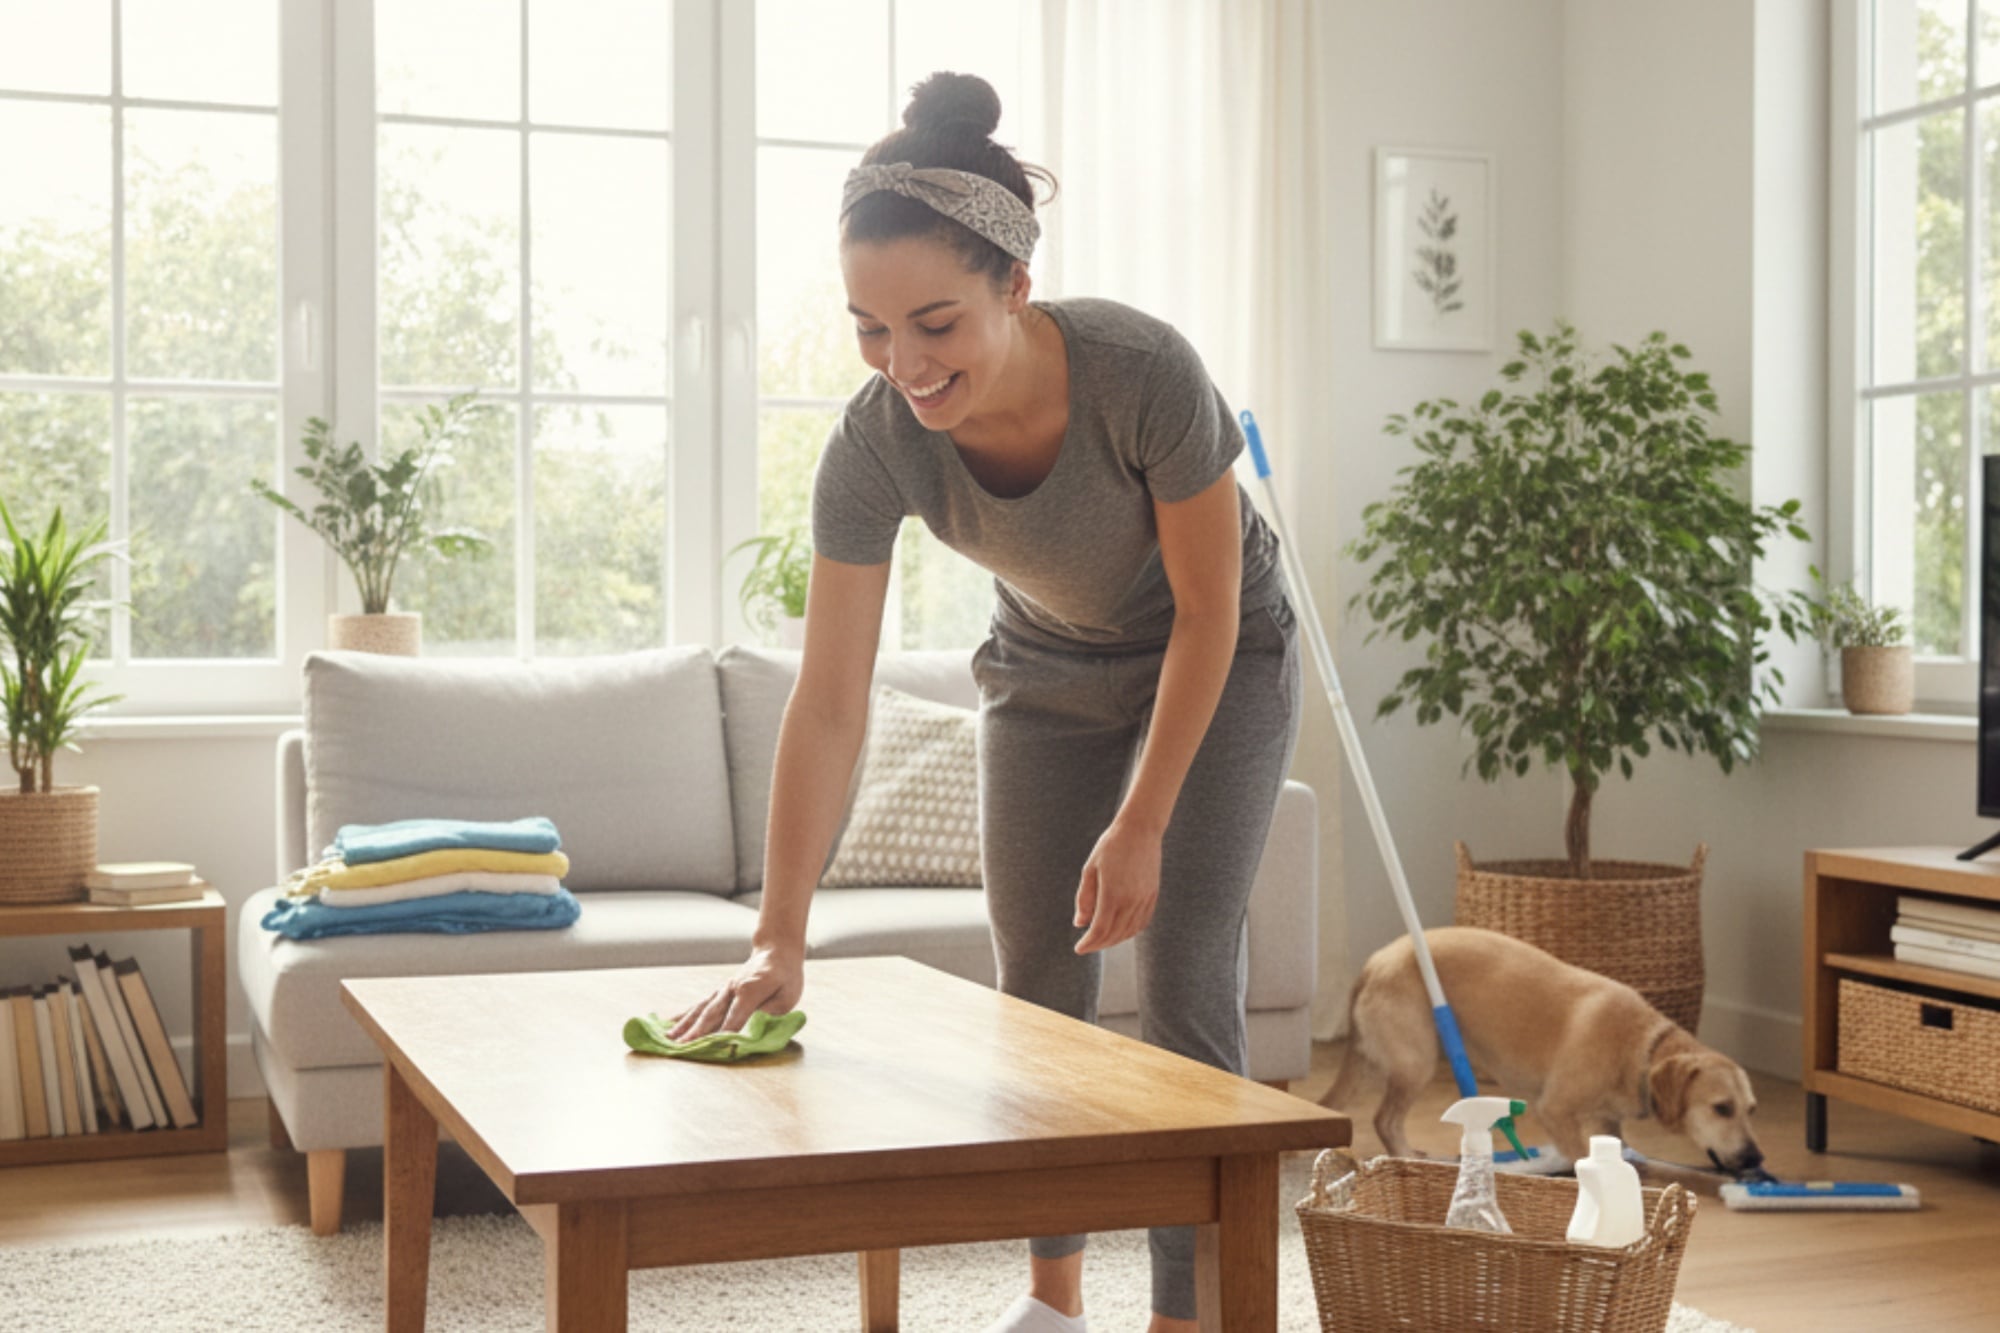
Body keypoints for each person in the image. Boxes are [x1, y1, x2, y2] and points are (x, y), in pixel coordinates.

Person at [669, 71, 1301, 1333]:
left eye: (934, 323)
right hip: (1046, 669)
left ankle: (1189, 1316)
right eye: (868, 328)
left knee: (1183, 974)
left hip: (1220, 658)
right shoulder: (873, 445)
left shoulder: (1140, 371)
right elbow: (829, 701)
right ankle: (1051, 1302)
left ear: (1015, 283)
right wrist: (778, 933)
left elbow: (1208, 611)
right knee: (1038, 982)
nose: (904, 364)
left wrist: (1142, 820)